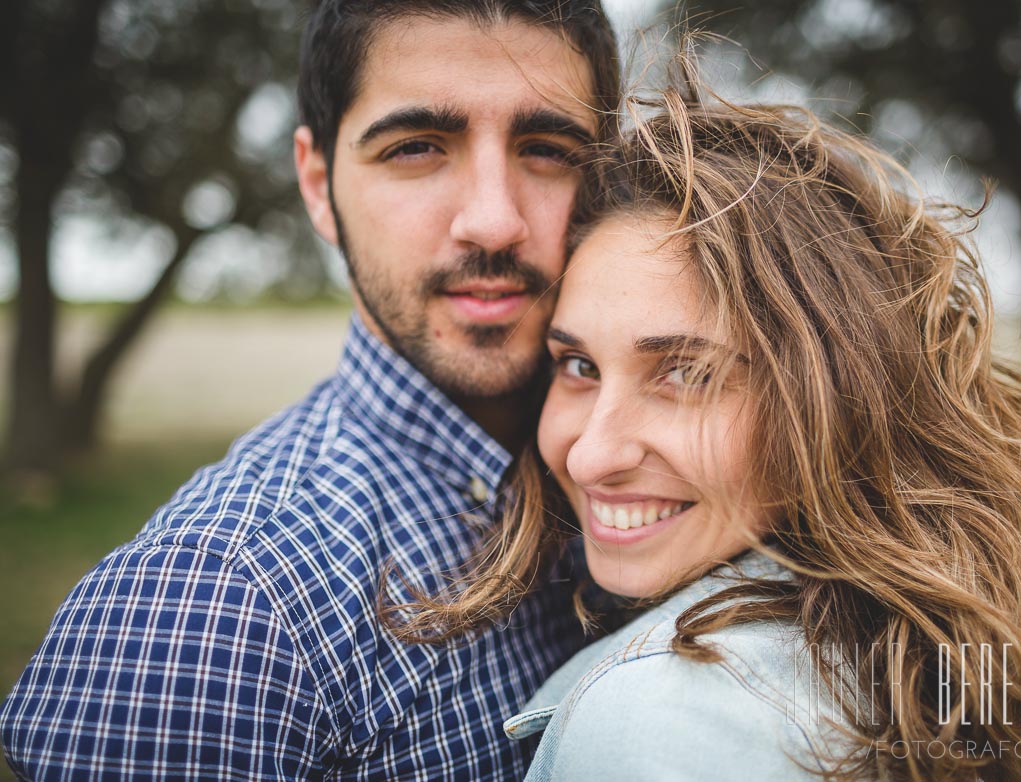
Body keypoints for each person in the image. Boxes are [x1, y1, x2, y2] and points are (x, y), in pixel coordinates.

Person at [389, 81, 1021, 781]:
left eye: (685, 374)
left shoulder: (658, 724)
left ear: (834, 397)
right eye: (576, 364)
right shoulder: (882, 638)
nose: (592, 455)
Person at [0, 2, 618, 779]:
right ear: (319, 184)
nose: (493, 222)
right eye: (417, 147)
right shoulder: (216, 610)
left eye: (549, 149)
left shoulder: (651, 487)